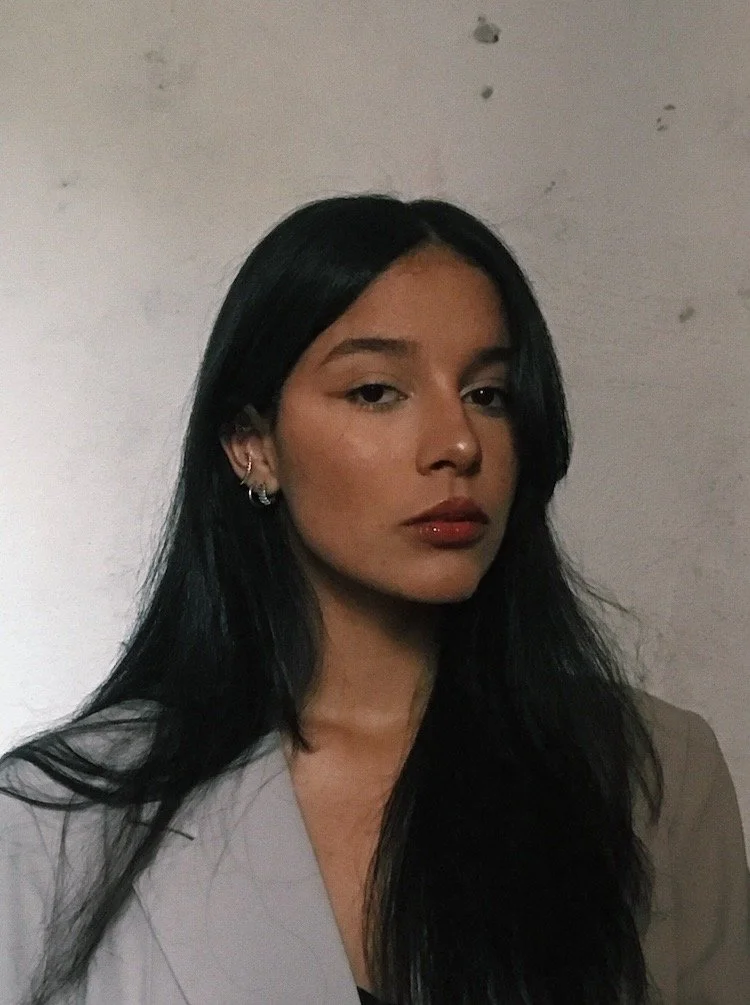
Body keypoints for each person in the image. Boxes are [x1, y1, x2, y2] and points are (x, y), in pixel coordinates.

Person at [1, 194, 748, 1005]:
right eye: (376, 392)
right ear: (252, 444)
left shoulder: (656, 773)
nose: (459, 443)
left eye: (488, 393)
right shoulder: (51, 823)